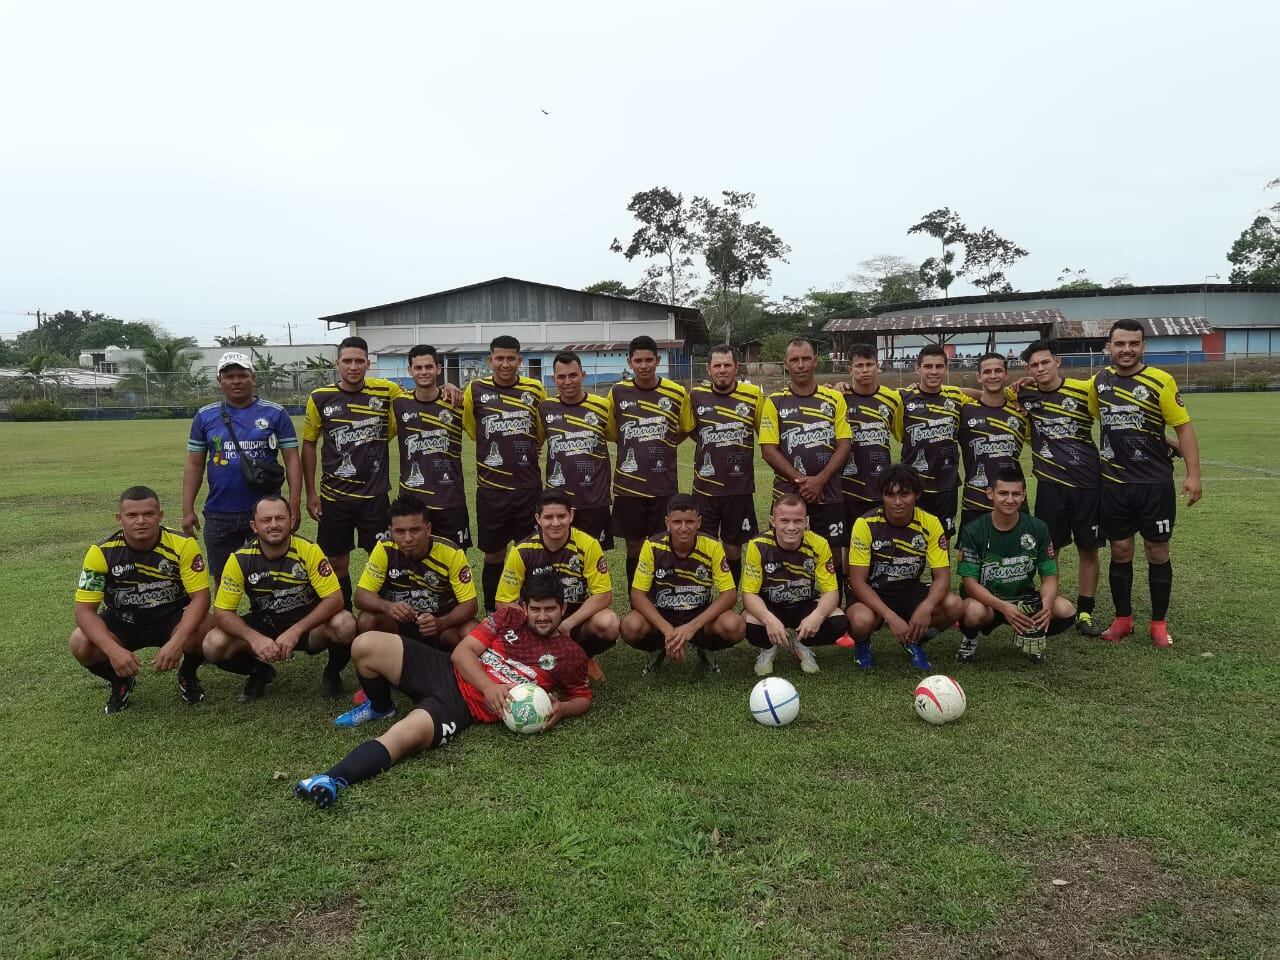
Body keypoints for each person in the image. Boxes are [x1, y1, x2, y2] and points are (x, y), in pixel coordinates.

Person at [293, 573, 591, 808]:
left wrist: (562, 710)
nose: (542, 616)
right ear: (524, 607)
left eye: (550, 609)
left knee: (404, 736)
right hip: (447, 670)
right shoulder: (508, 618)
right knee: (365, 644)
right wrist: (489, 687)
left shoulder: (570, 654)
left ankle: (329, 780)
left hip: (462, 705)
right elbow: (462, 654)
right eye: (535, 609)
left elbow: (582, 697)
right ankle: (380, 705)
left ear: (563, 609)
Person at [301, 335, 405, 694]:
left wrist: (451, 387)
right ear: (338, 364)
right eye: (347, 361)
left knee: (386, 563)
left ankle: (388, 640)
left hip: (376, 498)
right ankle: (338, 653)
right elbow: (310, 444)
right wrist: (311, 492)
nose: (353, 367)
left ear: (367, 363)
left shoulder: (387, 392)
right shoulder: (320, 398)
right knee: (338, 566)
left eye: (359, 361)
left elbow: (423, 395)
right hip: (335, 499)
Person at [1090, 319, 1202, 648]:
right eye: (1120, 344)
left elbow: (1184, 427)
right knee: (1121, 550)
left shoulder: (1160, 380)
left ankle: (1158, 622)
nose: (1126, 350)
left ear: (1143, 347)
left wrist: (1193, 474)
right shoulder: (1098, 383)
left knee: (1157, 550)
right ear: (1109, 347)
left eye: (1133, 344)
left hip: (1154, 483)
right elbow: (1113, 422)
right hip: (1114, 483)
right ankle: (1123, 619)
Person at [70, 485, 213, 713]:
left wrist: (177, 643)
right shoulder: (101, 552)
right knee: (80, 642)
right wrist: (111, 649)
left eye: (148, 514)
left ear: (160, 515)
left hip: (171, 617)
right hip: (124, 620)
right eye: (132, 515)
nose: (141, 521)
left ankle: (188, 674)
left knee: (206, 625)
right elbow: (84, 611)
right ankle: (120, 681)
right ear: (120, 518)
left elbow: (201, 598)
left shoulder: (183, 544)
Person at [203, 494, 356, 701]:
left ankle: (332, 672)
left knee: (345, 623)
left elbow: (335, 599)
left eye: (280, 518)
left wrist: (295, 631)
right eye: (266, 520)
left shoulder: (309, 550)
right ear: (254, 526)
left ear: (291, 521)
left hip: (307, 627)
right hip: (265, 624)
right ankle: (259, 671)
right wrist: (255, 639)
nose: (273, 525)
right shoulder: (239, 559)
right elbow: (222, 611)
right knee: (213, 644)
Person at [182, 351, 301, 582]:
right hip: (219, 511)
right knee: (223, 579)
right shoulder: (205, 416)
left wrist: (294, 504)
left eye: (242, 375)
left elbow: (292, 459)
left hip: (265, 513)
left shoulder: (275, 413)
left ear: (253, 377)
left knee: (270, 576)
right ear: (219, 381)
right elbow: (194, 464)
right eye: (228, 376)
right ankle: (227, 617)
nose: (236, 381)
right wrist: (187, 509)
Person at [1017, 340, 1105, 636]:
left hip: (1087, 483)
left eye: (1044, 362)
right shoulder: (1024, 393)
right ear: (1027, 369)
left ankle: (1085, 610)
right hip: (1050, 485)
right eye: (1033, 365)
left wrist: (1167, 441)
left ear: (1057, 362)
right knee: (1050, 550)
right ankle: (1048, 606)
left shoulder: (1083, 390)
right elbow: (984, 394)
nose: (1040, 369)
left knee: (1088, 548)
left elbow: (1118, 421)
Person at [845, 464, 964, 672]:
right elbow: (857, 581)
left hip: (908, 589)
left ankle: (914, 641)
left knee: (954, 605)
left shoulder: (931, 523)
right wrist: (890, 617)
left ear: (917, 494)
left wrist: (926, 607)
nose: (897, 502)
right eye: (890, 495)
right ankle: (863, 643)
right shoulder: (865, 524)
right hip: (874, 591)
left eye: (904, 494)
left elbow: (943, 576)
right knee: (860, 620)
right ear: (882, 496)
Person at [956, 465, 1076, 664]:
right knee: (972, 611)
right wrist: (1004, 607)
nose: (1010, 499)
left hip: (1023, 600)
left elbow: (1049, 577)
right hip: (988, 603)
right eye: (1003, 493)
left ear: (1024, 496)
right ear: (990, 493)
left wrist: (1045, 605)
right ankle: (970, 638)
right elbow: (969, 583)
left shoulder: (1038, 528)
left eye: (1015, 494)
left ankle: (1028, 634)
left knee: (1064, 609)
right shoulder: (973, 530)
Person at [759, 338, 852, 588]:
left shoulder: (834, 398)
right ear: (786, 364)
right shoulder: (774, 401)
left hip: (829, 491)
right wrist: (802, 482)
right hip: (788, 492)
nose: (801, 365)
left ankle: (835, 611)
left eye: (805, 358)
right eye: (794, 360)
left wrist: (820, 480)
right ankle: (785, 603)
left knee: (832, 552)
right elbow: (768, 450)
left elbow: (844, 444)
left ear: (815, 361)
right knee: (783, 549)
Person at [463, 335, 546, 612]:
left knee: (530, 553)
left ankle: (530, 612)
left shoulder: (535, 389)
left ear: (520, 361)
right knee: (494, 555)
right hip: (491, 489)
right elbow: (475, 432)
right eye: (499, 358)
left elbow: (541, 431)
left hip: (528, 488)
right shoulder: (475, 389)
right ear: (490, 360)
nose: (505, 364)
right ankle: (492, 613)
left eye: (511, 358)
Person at [620, 493, 746, 676]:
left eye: (690, 522)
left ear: (699, 522)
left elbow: (730, 595)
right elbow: (637, 595)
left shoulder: (712, 546)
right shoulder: (652, 546)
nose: (684, 528)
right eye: (677, 522)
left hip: (699, 614)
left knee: (735, 625)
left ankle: (705, 648)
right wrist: (668, 630)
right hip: (662, 613)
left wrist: (691, 628)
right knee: (630, 625)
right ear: (667, 522)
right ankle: (658, 648)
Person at [607, 335, 694, 589]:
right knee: (634, 546)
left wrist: (665, 443)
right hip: (628, 486)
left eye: (648, 360)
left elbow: (687, 427)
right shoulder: (618, 391)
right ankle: (638, 599)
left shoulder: (676, 392)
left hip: (663, 485)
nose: (643, 365)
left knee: (664, 543)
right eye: (638, 361)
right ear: (629, 362)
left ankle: (662, 596)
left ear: (658, 360)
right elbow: (613, 431)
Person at [495, 490, 620, 665]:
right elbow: (502, 601)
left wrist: (566, 624)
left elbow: (603, 594)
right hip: (537, 618)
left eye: (561, 516)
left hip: (574, 618)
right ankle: (535, 657)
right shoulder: (521, 551)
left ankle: (584, 657)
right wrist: (538, 620)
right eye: (548, 517)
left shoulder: (588, 545)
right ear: (538, 518)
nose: (555, 523)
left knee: (609, 623)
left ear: (571, 515)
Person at [740, 494, 848, 676]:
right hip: (771, 606)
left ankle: (800, 644)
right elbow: (749, 594)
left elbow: (831, 591)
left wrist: (818, 616)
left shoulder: (819, 544)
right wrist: (768, 619)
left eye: (797, 521)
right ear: (773, 521)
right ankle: (768, 648)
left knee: (838, 620)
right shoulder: (757, 545)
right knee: (746, 622)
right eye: (784, 520)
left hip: (803, 605)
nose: (791, 527)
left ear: (806, 522)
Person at [355, 496, 479, 649]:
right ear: (390, 531)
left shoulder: (451, 553)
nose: (408, 538)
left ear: (428, 529)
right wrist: (387, 607)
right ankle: (380, 671)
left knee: (471, 630)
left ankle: (455, 668)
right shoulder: (384, 549)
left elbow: (470, 605)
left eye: (415, 530)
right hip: (398, 626)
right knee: (367, 620)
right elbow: (361, 596)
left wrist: (441, 623)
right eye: (400, 531)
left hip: (440, 626)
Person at [688, 344, 764, 583]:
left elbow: (766, 432)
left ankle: (729, 600)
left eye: (727, 365)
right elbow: (691, 430)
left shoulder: (753, 396)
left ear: (736, 368)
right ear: (708, 369)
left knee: (733, 547)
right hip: (705, 489)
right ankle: (705, 599)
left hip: (738, 489)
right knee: (704, 546)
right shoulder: (695, 396)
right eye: (717, 365)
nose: (722, 370)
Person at [392, 344, 471, 549]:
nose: (424, 372)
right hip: (412, 501)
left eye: (429, 367)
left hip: (450, 499)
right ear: (410, 370)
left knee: (455, 557)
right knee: (411, 558)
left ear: (438, 369)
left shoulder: (457, 402)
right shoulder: (398, 403)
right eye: (418, 368)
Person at [897, 344, 975, 537]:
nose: (934, 371)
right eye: (928, 366)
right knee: (910, 539)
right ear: (918, 368)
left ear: (946, 369)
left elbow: (984, 396)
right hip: (912, 484)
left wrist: (1015, 400)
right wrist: (841, 385)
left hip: (945, 484)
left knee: (942, 539)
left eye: (939, 366)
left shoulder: (955, 396)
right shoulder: (902, 397)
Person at [541, 350, 614, 547]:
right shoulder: (545, 408)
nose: (567, 381)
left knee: (595, 554)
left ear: (583, 374)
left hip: (595, 499)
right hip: (559, 501)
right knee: (560, 554)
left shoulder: (602, 406)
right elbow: (537, 441)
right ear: (553, 378)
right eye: (561, 376)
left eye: (573, 375)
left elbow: (615, 435)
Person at [958, 352, 1030, 532]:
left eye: (998, 371)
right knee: (971, 558)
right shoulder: (965, 410)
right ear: (979, 376)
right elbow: (941, 392)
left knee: (1017, 557)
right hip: (976, 501)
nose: (993, 376)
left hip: (1013, 499)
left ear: (1006, 374)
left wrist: (1030, 380)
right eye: (987, 371)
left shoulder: (1020, 412)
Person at [840, 342, 904, 536]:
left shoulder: (893, 399)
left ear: (878, 366)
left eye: (869, 364)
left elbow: (901, 435)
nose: (865, 370)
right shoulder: (839, 397)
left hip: (880, 485)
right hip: (847, 485)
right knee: (850, 543)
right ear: (850, 368)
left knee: (881, 540)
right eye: (859, 366)